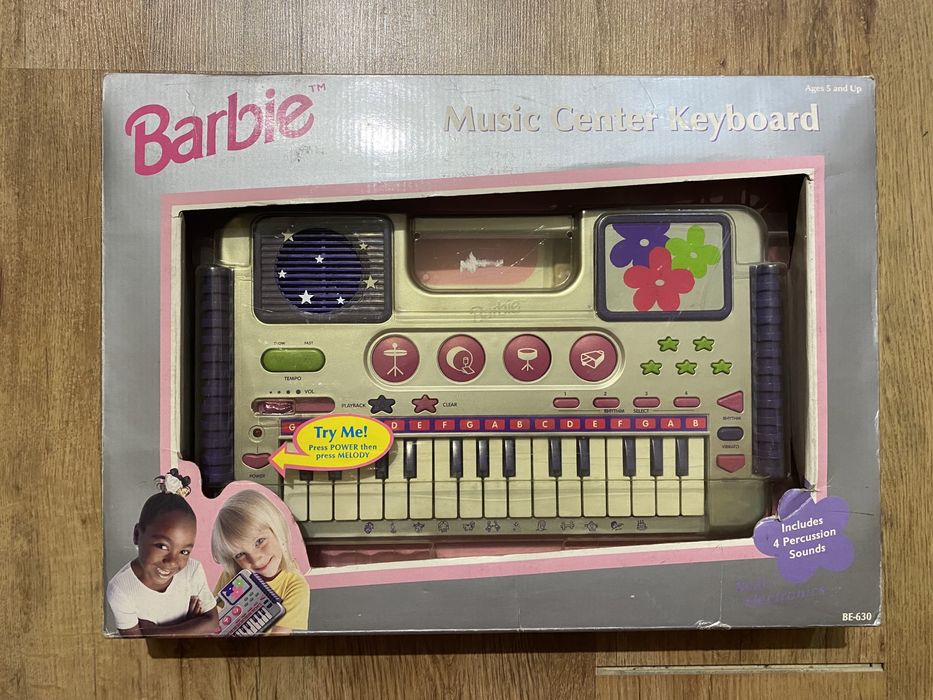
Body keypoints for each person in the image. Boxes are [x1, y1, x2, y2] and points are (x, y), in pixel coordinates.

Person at [107, 491, 218, 636]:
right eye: (162, 546)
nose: (172, 562)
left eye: (184, 551)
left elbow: (213, 623)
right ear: (137, 535)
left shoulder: (192, 570)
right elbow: (137, 645)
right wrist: (190, 626)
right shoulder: (121, 589)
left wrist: (155, 632)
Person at [211, 490, 310, 633]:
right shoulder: (233, 576)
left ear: (276, 529)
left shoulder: (294, 586)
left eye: (259, 541)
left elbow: (278, 640)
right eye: (240, 554)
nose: (256, 560)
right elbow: (212, 618)